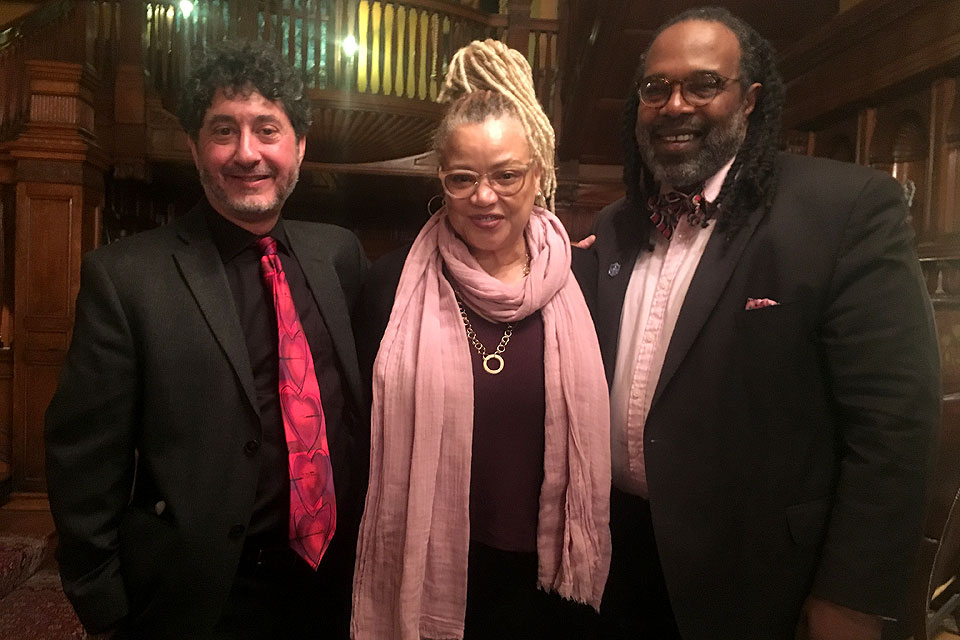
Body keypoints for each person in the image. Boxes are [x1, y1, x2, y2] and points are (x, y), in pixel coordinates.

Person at [572, 7, 940, 640]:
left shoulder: (842, 210)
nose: (675, 104)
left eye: (703, 84)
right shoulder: (612, 229)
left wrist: (851, 597)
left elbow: (894, 421)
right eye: (656, 88)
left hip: (760, 574)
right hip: (619, 559)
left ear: (750, 100)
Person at [44, 41, 367, 639]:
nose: (247, 153)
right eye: (224, 130)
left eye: (267, 129)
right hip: (201, 598)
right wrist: (106, 607)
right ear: (195, 148)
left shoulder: (338, 255)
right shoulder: (126, 279)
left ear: (300, 145)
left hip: (335, 587)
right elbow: (83, 464)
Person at [350, 39, 611, 640]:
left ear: (537, 174)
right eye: (463, 178)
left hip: (544, 577)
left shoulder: (585, 281)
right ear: (441, 180)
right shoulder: (390, 283)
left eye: (507, 175)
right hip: (432, 564)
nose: (485, 197)